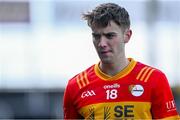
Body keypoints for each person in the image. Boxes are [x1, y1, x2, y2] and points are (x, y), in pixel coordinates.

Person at [63, 3, 179, 119]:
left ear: (127, 36)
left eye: (110, 36)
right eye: (97, 36)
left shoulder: (154, 79)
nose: (101, 43)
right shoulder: (76, 86)